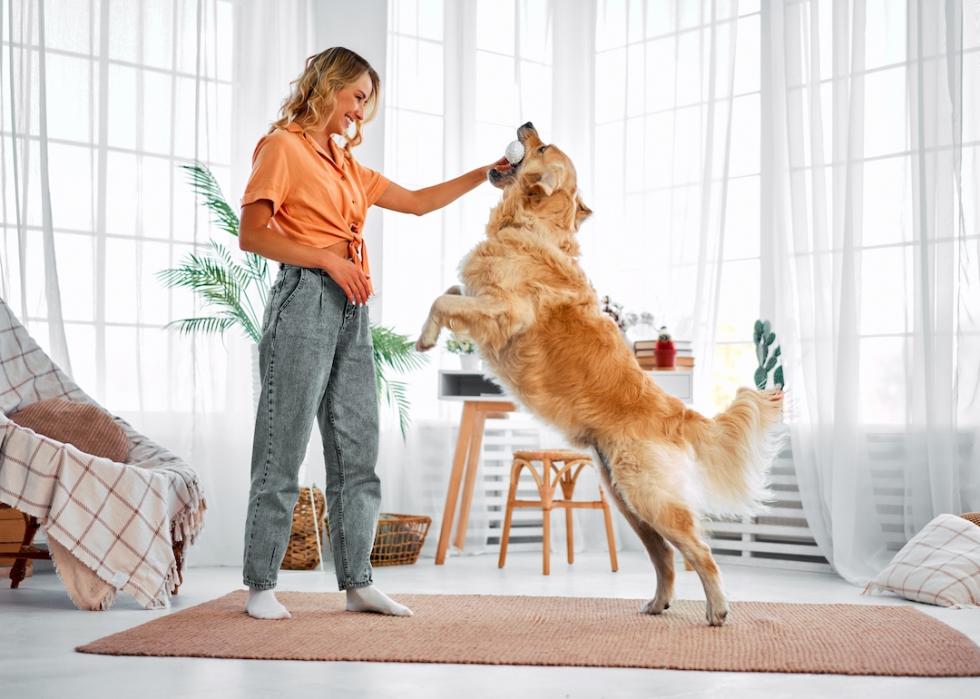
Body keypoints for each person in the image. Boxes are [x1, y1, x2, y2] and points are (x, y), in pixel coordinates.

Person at [239, 47, 508, 620]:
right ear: (328, 86)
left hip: (351, 311)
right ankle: (261, 583)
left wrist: (485, 176)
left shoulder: (343, 165)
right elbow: (253, 235)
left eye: (367, 101)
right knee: (282, 447)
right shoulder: (283, 147)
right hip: (304, 300)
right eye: (357, 96)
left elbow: (415, 202)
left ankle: (358, 581)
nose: (362, 110)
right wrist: (329, 261)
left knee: (358, 448)